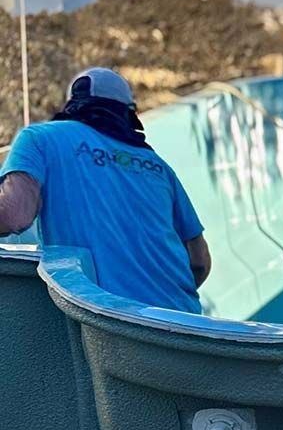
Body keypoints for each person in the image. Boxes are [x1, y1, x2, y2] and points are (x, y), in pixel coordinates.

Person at [0, 68, 210, 313]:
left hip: (112, 324)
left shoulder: (40, 138)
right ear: (129, 112)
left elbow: (13, 214)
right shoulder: (159, 167)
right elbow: (200, 260)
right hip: (185, 321)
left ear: (73, 103)